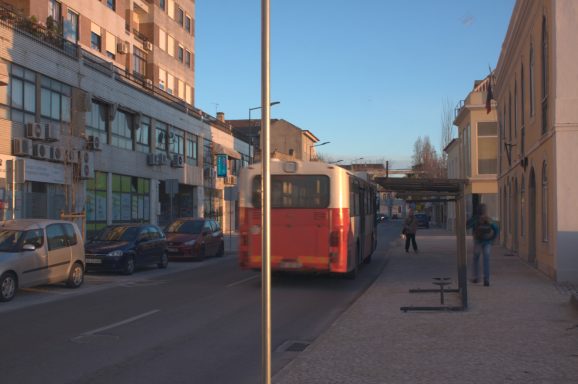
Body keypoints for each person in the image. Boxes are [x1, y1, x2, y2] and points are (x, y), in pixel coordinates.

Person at [467, 203, 499, 287]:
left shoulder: (476, 218)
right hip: (487, 242)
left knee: (476, 259)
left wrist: (473, 221)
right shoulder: (488, 219)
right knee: (486, 260)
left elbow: (467, 226)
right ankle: (486, 279)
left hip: (478, 241)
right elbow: (496, 228)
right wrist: (493, 239)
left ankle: (476, 277)